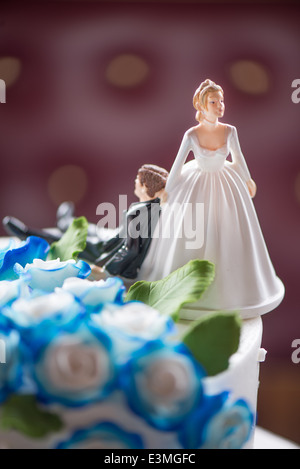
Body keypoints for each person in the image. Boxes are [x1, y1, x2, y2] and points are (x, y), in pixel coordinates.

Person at [137, 79, 284, 318]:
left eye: (221, 101)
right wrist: (168, 190)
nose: (220, 106)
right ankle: (184, 287)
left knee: (228, 229)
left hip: (226, 183)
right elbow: (177, 165)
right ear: (202, 106)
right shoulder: (192, 134)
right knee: (191, 229)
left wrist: (247, 179)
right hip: (195, 182)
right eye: (214, 102)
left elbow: (238, 158)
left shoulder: (230, 131)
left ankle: (234, 290)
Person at [3, 164, 168, 280]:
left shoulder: (139, 214)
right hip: (112, 236)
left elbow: (130, 250)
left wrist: (107, 269)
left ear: (145, 188)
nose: (135, 185)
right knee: (89, 228)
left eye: (137, 182)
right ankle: (66, 221)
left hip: (105, 248)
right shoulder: (152, 207)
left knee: (65, 239)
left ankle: (27, 233)